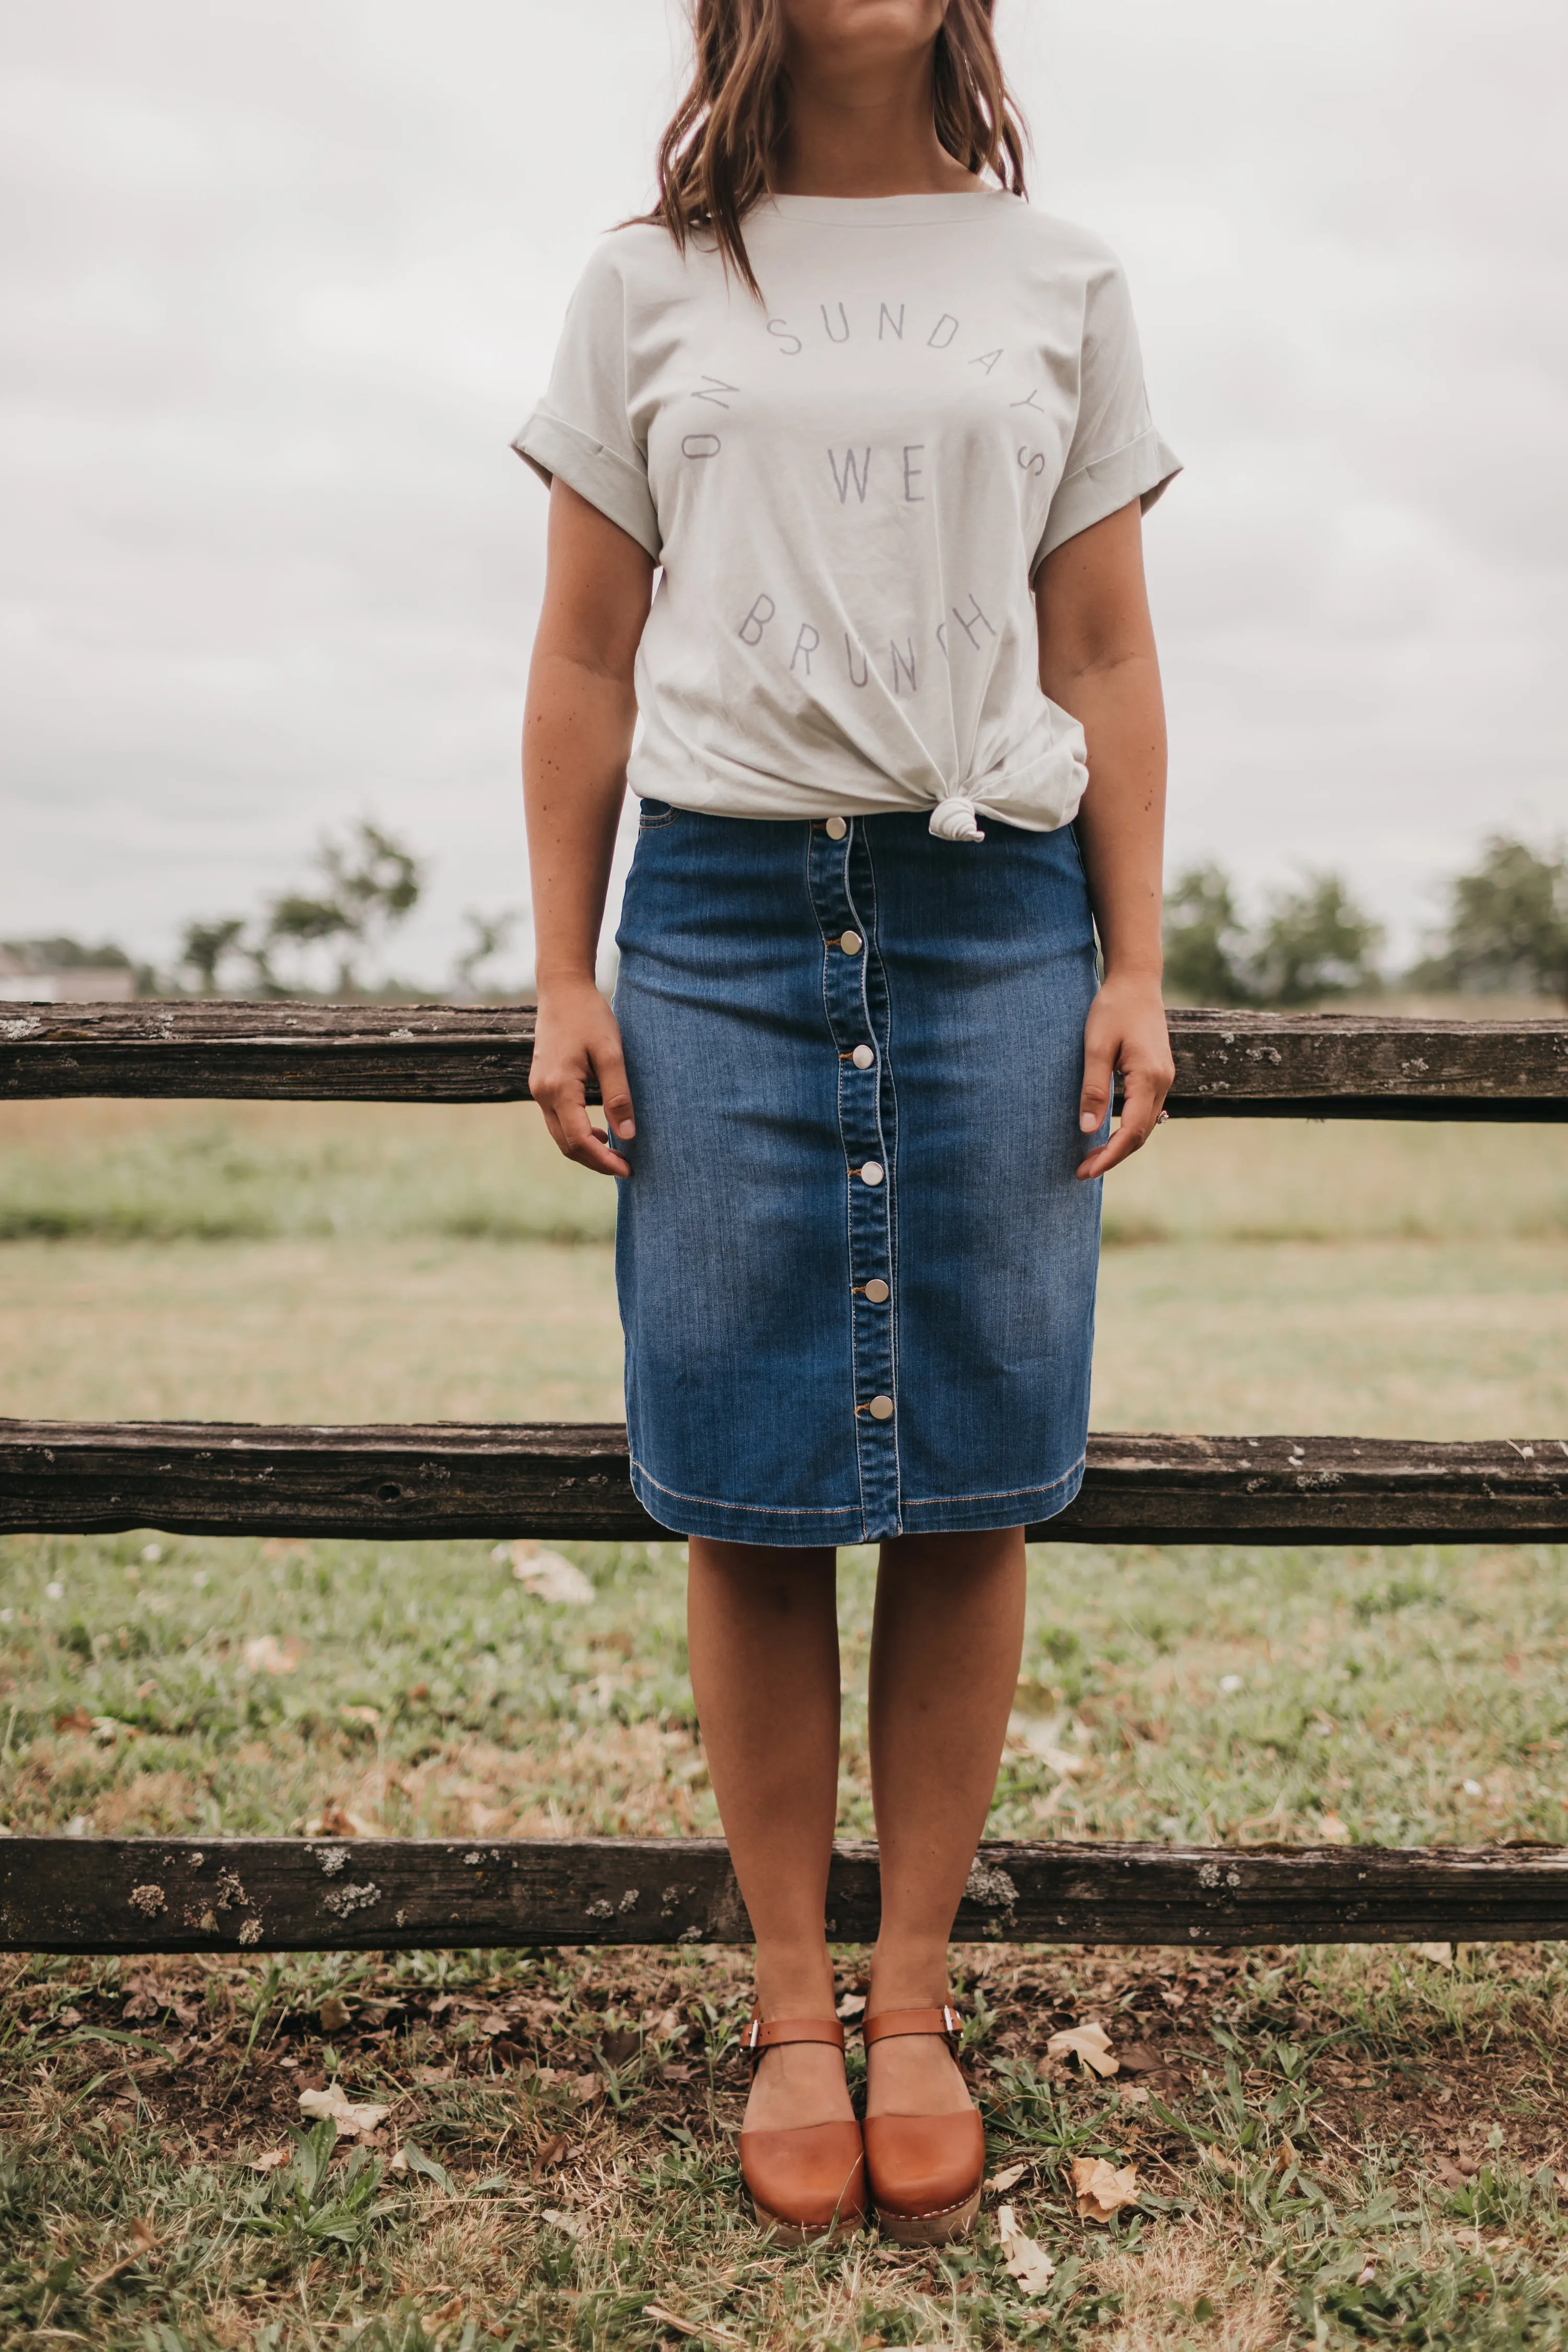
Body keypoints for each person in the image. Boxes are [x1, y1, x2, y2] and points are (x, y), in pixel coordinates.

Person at [516, 0, 1177, 2249]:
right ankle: (791, 2010)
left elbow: (1099, 647)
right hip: (712, 906)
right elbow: (588, 652)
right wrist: (565, 964)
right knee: (746, 1466)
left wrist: (1137, 966)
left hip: (997, 908)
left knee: (976, 1459)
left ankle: (915, 2005)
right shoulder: (646, 282)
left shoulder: (1060, 273)